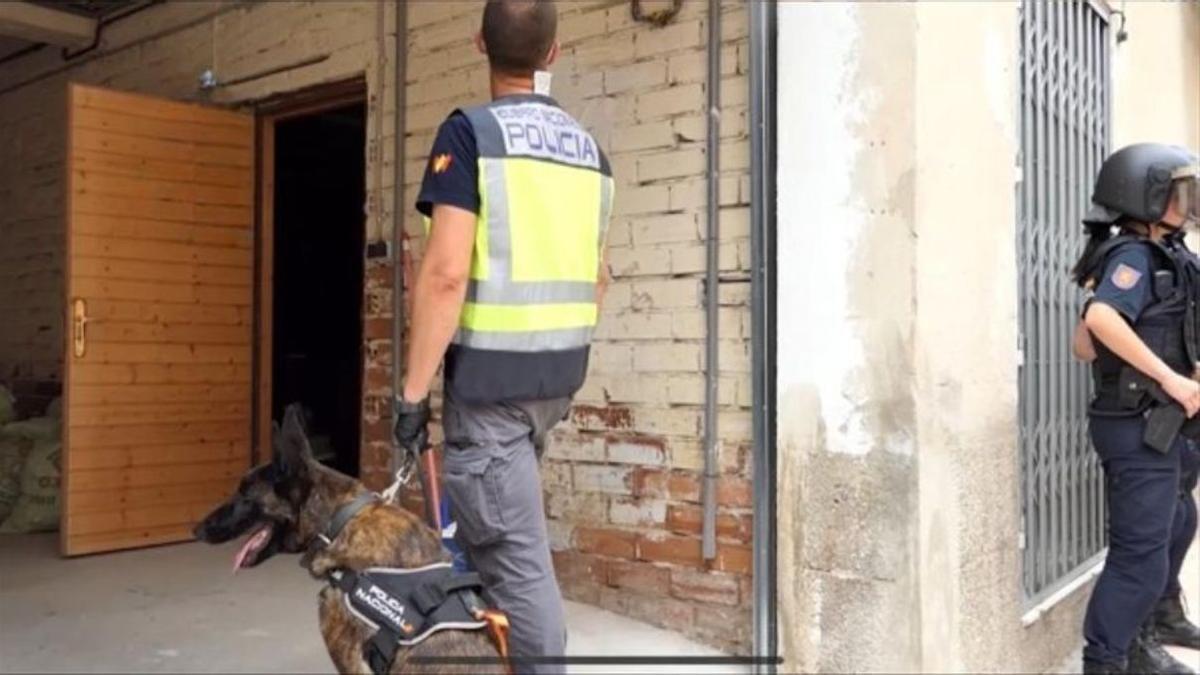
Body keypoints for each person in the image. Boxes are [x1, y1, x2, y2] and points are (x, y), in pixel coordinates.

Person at [391, 1, 614, 672]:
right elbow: (598, 278)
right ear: (553, 54)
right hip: (552, 384)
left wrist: (410, 396)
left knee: (520, 571)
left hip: (491, 394)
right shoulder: (590, 153)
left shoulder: (469, 136)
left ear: (478, 42)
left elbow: (444, 275)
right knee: (497, 551)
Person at [1070, 143, 1200, 674]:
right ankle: (1105, 661)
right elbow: (1100, 326)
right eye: (1178, 190)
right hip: (1141, 424)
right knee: (1139, 560)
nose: (1188, 199)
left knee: (1178, 519)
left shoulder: (1169, 253)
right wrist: (1168, 377)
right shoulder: (1131, 256)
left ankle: (1148, 634)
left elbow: (1085, 345)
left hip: (1170, 424)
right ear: (1144, 196)